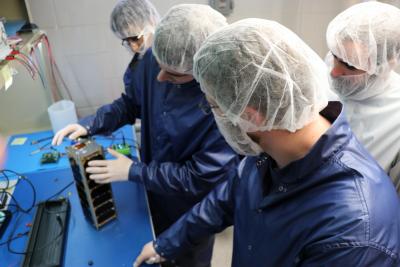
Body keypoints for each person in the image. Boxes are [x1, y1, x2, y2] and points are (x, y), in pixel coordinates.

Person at [134, 18, 400, 267]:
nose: (213, 115)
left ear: (250, 116)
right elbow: (227, 197)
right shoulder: (269, 149)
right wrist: (167, 244)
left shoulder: (354, 235)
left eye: (213, 106)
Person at [52, 2, 238, 267]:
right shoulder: (155, 58)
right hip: (153, 196)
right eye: (156, 66)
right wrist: (91, 124)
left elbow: (198, 178)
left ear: (201, 71)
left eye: (172, 74)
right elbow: (131, 103)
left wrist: (134, 171)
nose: (159, 77)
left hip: (189, 212)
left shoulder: (222, 107)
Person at [326, 1, 400, 192]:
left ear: (386, 64)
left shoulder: (395, 117)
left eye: (350, 65)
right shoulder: (321, 80)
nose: (334, 72)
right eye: (335, 55)